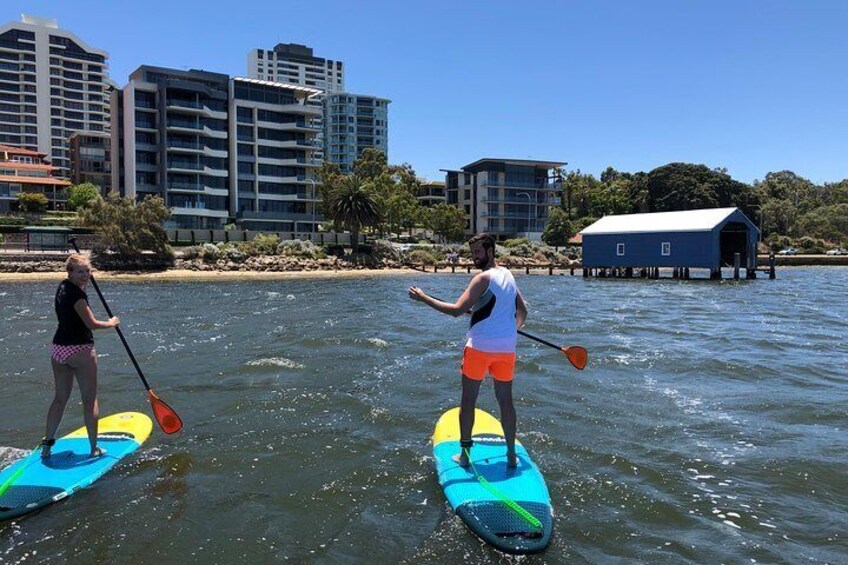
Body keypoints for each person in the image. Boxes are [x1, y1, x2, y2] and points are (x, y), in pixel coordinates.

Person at [409, 233, 527, 468]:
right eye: (472, 252)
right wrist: (508, 329)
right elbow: (522, 311)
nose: (473, 257)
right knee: (506, 402)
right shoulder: (509, 275)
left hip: (479, 348)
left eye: (477, 252)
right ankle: (511, 455)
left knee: (468, 401)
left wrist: (424, 298)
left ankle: (464, 455)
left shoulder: (481, 279)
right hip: (506, 350)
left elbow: (455, 310)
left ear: (490, 251)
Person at [43, 254, 119, 459]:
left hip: (58, 348)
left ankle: (46, 447)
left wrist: (82, 284)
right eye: (80, 272)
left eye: (87, 271)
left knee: (60, 399)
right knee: (90, 399)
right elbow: (92, 324)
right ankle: (94, 449)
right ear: (70, 272)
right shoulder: (78, 296)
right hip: (80, 349)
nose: (85, 275)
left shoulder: (62, 287)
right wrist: (111, 323)